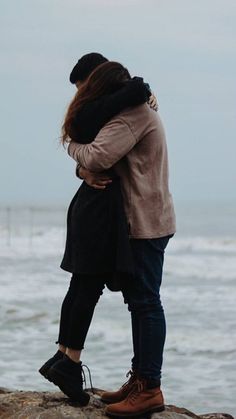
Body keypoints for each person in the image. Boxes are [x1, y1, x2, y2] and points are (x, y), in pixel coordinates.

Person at [39, 56, 157, 406]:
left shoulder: (115, 109)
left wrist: (144, 90)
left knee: (82, 285)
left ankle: (65, 358)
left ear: (98, 82)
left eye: (86, 87)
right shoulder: (112, 109)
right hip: (99, 209)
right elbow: (95, 157)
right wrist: (82, 166)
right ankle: (69, 361)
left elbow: (89, 151)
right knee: (87, 286)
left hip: (94, 207)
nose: (84, 95)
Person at [67, 63, 176, 416]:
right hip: (141, 219)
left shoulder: (132, 114)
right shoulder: (129, 109)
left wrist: (72, 148)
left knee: (146, 302)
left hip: (146, 221)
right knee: (139, 302)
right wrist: (82, 167)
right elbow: (98, 156)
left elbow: (99, 155)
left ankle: (150, 388)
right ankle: (140, 380)